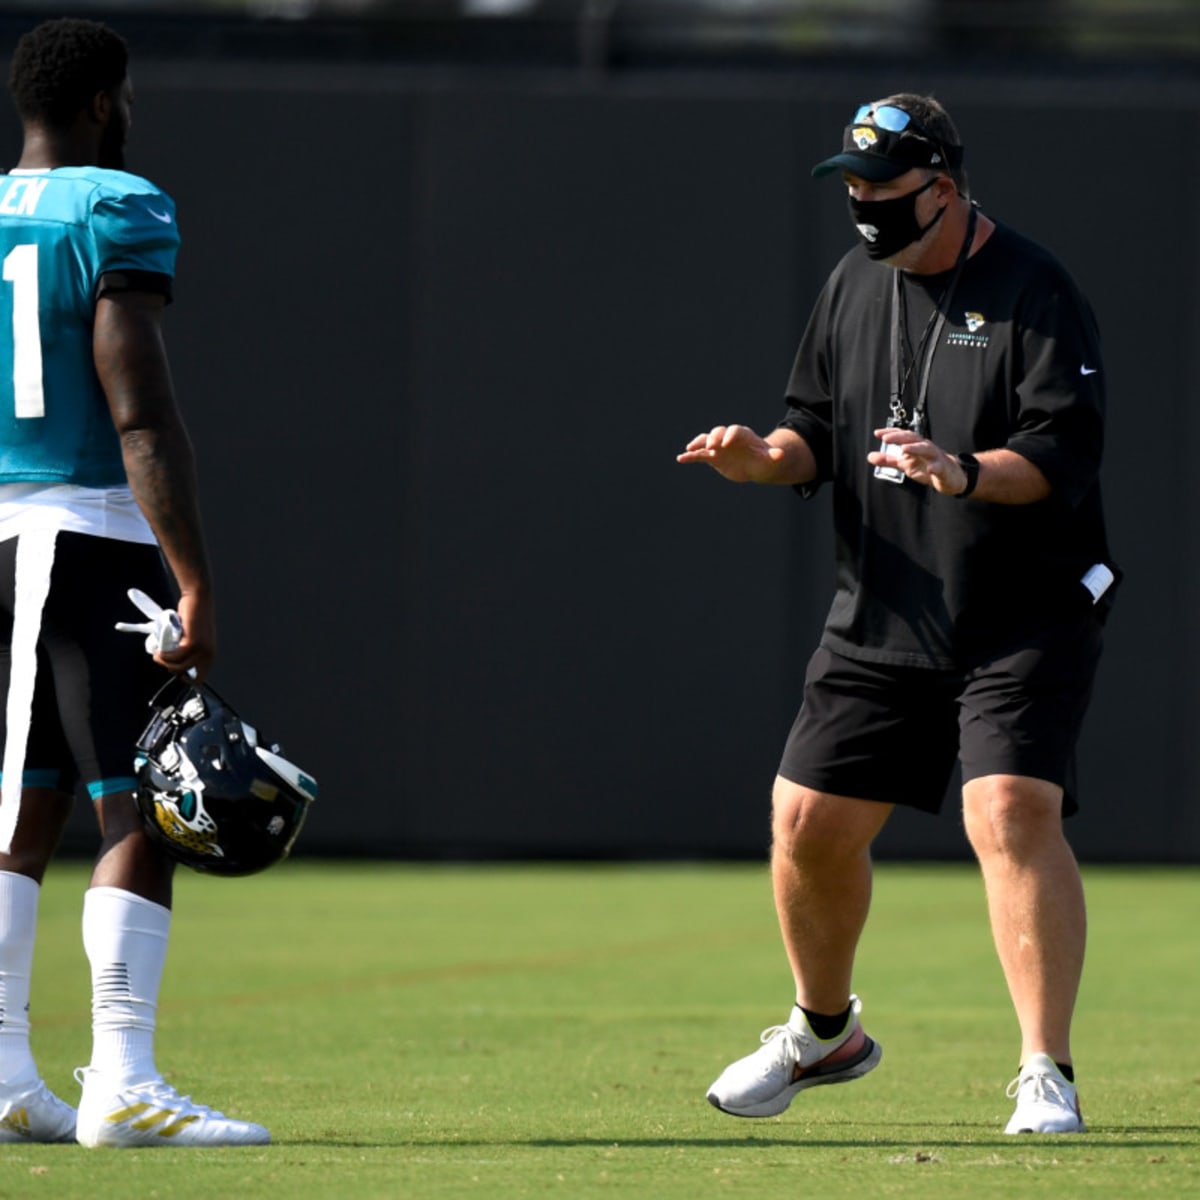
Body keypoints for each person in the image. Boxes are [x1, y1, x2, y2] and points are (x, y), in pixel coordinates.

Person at [677, 93, 1117, 1135]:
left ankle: (1045, 1070)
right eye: (854, 187)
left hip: (1023, 610)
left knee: (1009, 811)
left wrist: (960, 472)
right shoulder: (851, 284)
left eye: (886, 187)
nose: (866, 205)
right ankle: (824, 1032)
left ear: (945, 189)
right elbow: (812, 430)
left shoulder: (1036, 291)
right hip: (886, 604)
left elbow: (1062, 454)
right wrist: (763, 461)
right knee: (805, 822)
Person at [0, 18, 268, 1147]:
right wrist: (193, 576)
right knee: (143, 800)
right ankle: (125, 1082)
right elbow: (140, 408)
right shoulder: (116, 204)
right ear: (106, 102)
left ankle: (8, 1075)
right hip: (87, 531)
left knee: (26, 805)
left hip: (8, 536)